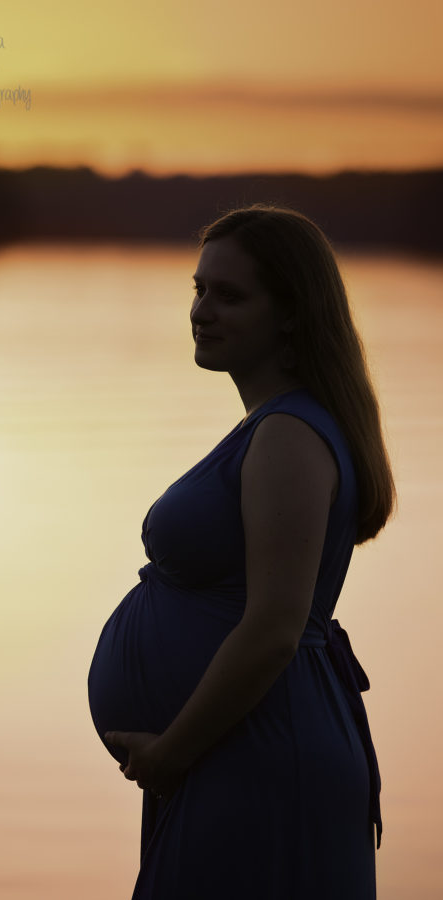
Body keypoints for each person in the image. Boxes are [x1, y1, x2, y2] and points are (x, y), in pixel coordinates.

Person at [87, 204, 396, 899]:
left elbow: (274, 626)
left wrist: (173, 752)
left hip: (256, 751)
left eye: (229, 295)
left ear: (289, 313)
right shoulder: (275, 427)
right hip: (234, 748)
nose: (201, 310)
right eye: (197, 289)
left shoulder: (288, 435)